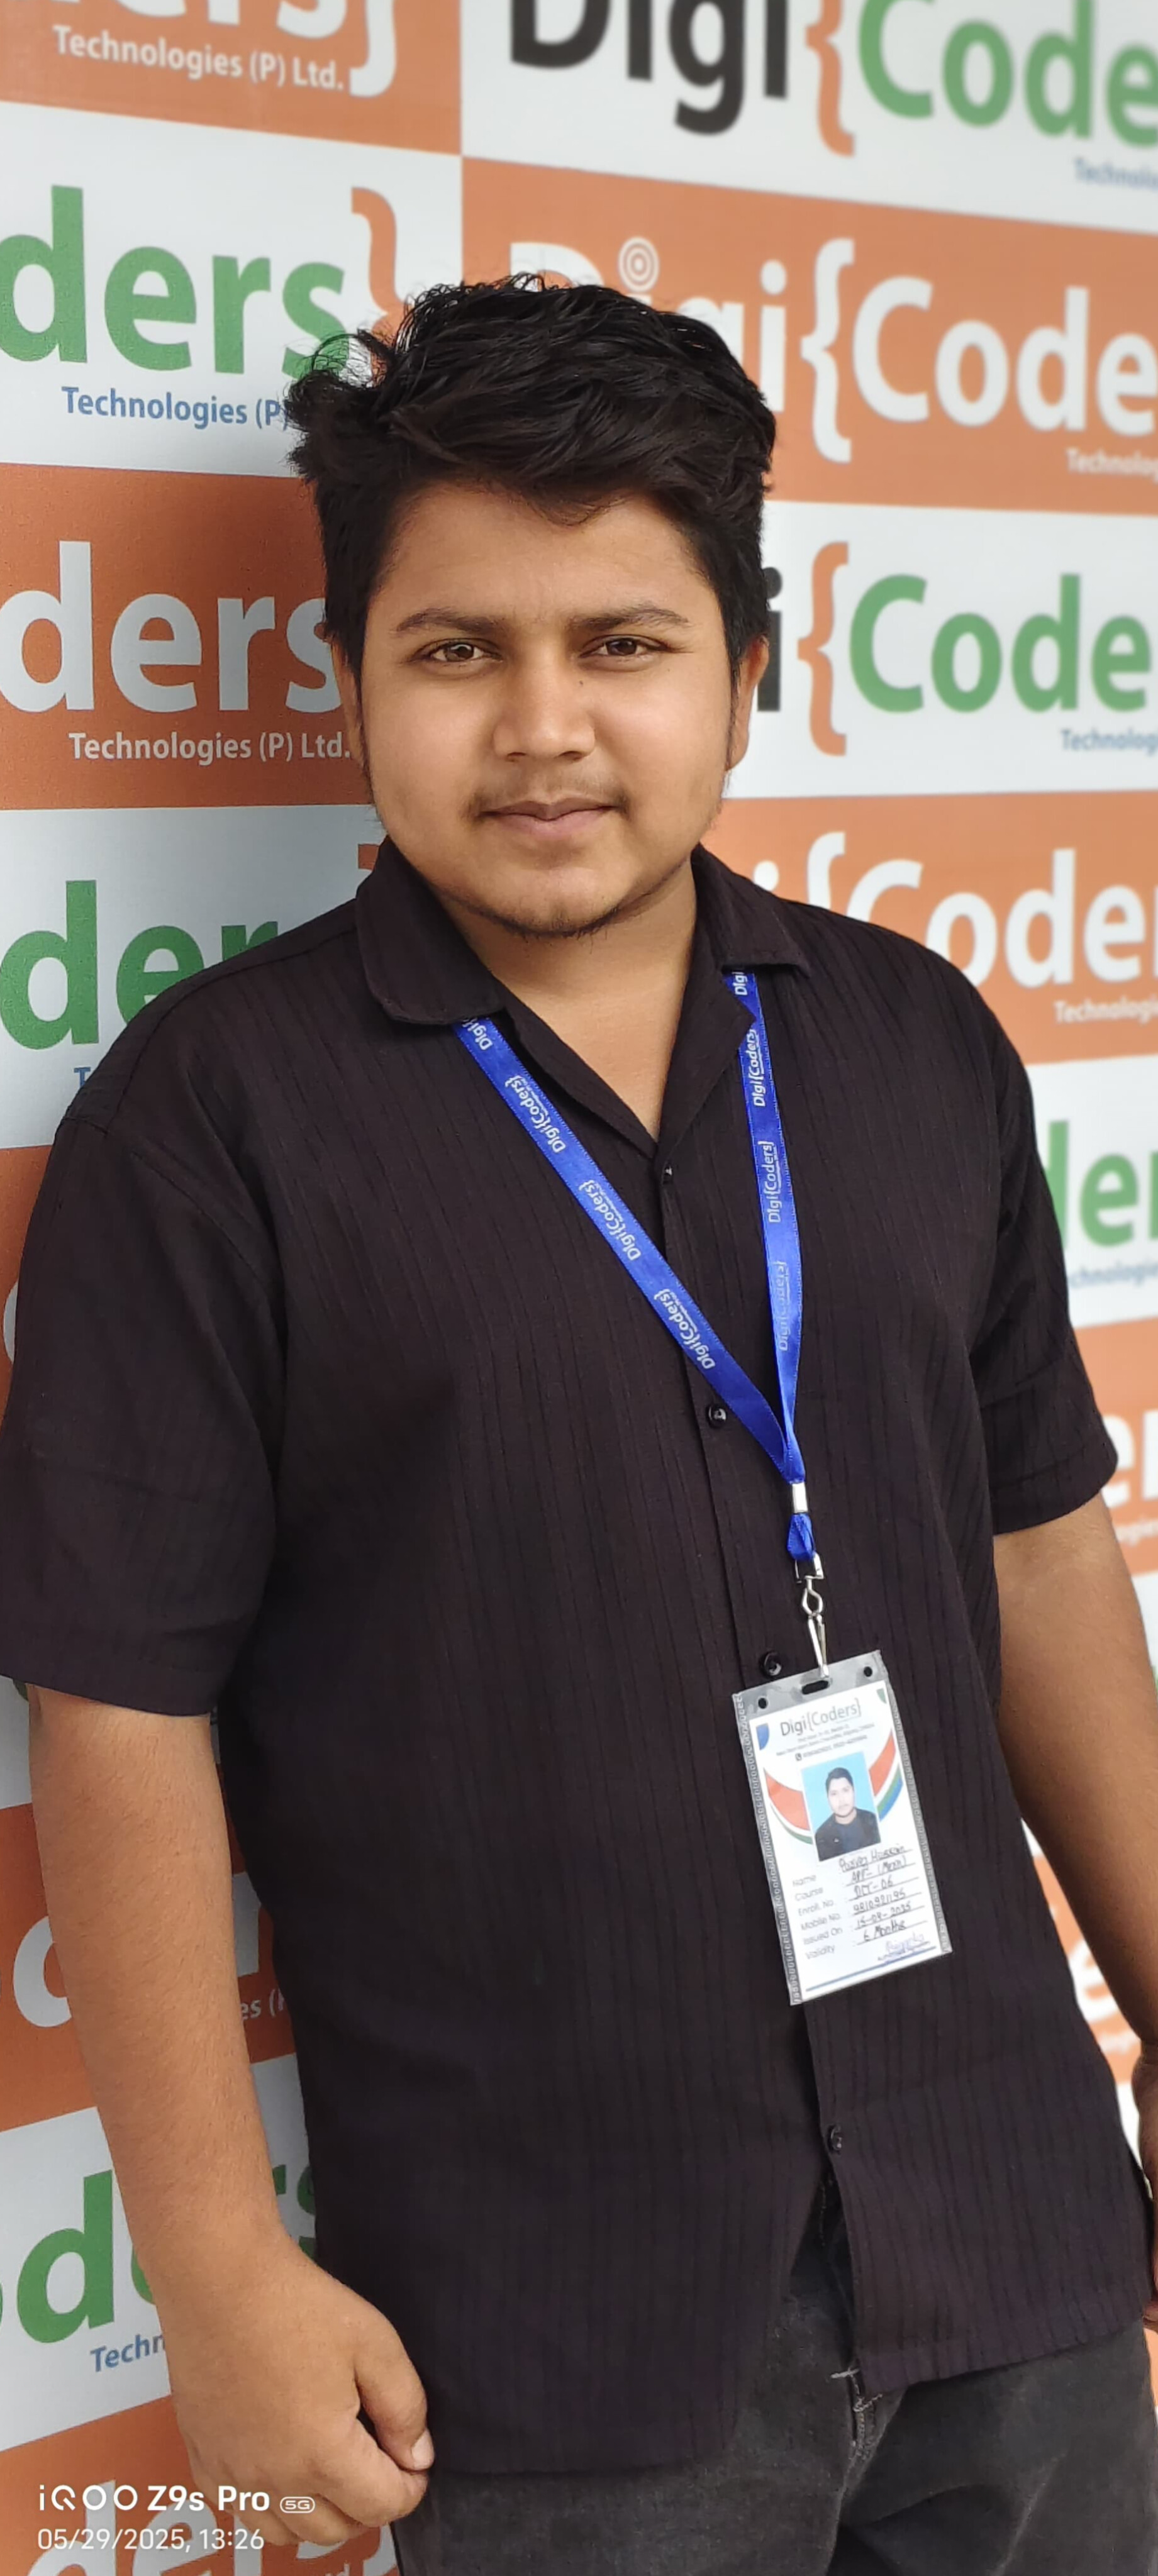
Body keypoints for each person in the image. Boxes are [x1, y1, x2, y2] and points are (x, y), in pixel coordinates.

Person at [1, 279, 1156, 2576]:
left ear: (749, 663)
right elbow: (122, 1711)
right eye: (457, 651)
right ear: (347, 671)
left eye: (621, 644)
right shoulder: (213, 1126)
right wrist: (212, 2262)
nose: (542, 728)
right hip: (554, 2315)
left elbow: (1034, 1554)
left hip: (1006, 2221)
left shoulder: (912, 1043)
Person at [814, 1767, 881, 1862]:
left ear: (854, 1791)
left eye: (845, 1791)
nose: (841, 1799)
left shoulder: (873, 1821)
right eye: (834, 1794)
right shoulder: (822, 1836)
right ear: (828, 1798)